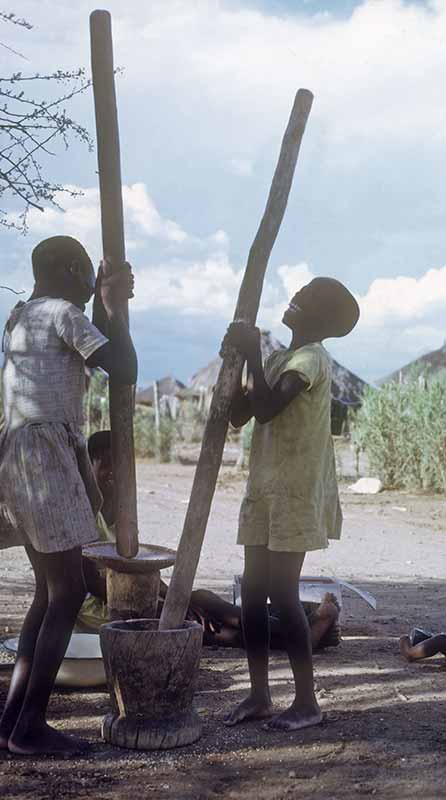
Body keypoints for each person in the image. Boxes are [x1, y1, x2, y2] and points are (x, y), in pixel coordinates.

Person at [0, 236, 137, 756]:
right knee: (69, 592)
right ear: (69, 270)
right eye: (84, 275)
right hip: (45, 457)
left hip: (23, 452)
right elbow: (125, 369)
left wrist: (103, 300)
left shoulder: (20, 317)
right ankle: (29, 725)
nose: (85, 286)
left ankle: (14, 722)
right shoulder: (62, 314)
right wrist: (109, 306)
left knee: (49, 592)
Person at [221, 277, 360, 731]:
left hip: (295, 495)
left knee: (281, 593)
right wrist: (240, 359)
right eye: (297, 294)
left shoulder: (311, 359)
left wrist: (254, 352)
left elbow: (266, 409)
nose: (294, 300)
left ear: (321, 319)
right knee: (253, 595)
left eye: (304, 300)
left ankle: (306, 702)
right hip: (265, 491)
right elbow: (242, 413)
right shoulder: (283, 358)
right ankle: (260, 694)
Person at [78, 431, 341, 651]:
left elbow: (138, 568)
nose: (113, 472)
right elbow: (92, 582)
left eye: (121, 464)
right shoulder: (84, 512)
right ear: (90, 466)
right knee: (199, 626)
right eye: (105, 464)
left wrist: (177, 598)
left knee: (202, 601)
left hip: (133, 598)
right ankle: (304, 635)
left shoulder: (121, 509)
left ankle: (300, 631)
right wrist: (165, 604)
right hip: (103, 608)